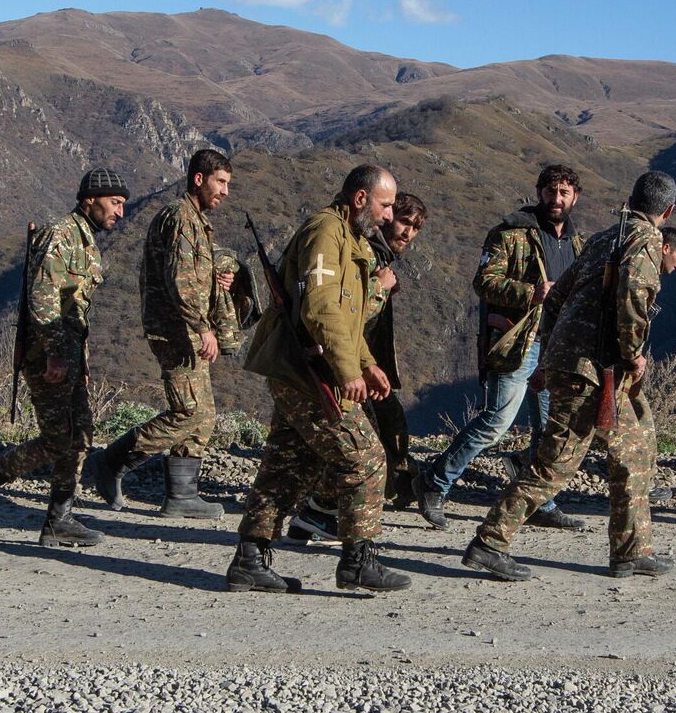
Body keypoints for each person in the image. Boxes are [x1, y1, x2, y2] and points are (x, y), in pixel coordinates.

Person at [462, 171, 676, 582]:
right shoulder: (645, 240)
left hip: (580, 364)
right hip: (594, 369)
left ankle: (632, 551)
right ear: (666, 211)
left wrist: (550, 354)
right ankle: (489, 543)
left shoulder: (602, 238)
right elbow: (634, 296)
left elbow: (558, 295)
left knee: (632, 453)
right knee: (556, 463)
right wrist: (633, 354)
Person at [227, 165, 412, 595]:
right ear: (361, 198)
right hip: (308, 372)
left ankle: (250, 560)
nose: (389, 215)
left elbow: (347, 318)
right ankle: (357, 561)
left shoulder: (350, 239)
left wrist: (367, 363)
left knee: (287, 467)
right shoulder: (326, 233)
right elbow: (322, 309)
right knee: (365, 458)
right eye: (385, 205)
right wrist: (348, 372)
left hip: (303, 370)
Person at [0, 170, 127, 547]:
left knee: (79, 437)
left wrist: (78, 357)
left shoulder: (86, 242)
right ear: (89, 201)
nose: (120, 211)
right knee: (57, 439)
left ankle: (59, 519)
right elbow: (44, 301)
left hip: (67, 354)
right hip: (48, 356)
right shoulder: (60, 237)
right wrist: (54, 355)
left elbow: (75, 309)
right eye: (114, 203)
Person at [414, 164, 587, 532]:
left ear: (575, 197)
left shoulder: (576, 243)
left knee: (548, 428)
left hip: (554, 347)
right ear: (539, 192)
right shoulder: (511, 234)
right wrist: (531, 293)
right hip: (517, 343)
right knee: (496, 421)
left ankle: (540, 500)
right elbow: (484, 282)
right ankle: (434, 482)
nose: (556, 199)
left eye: (564, 193)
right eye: (550, 191)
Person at [93, 149, 233, 518]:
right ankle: (110, 463)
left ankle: (182, 495)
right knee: (188, 412)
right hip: (177, 331)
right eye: (220, 182)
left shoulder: (194, 221)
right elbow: (181, 280)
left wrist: (222, 274)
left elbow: (196, 269)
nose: (225, 192)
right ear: (199, 179)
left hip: (184, 330)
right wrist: (202, 327)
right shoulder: (181, 218)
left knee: (202, 414)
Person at [290, 192, 428, 541]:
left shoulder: (377, 253)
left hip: (358, 362)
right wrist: (380, 290)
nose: (408, 233)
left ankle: (313, 514)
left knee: (380, 432)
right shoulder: (362, 250)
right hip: (339, 365)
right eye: (401, 221)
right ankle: (354, 542)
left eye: (415, 228)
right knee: (364, 448)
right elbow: (346, 313)